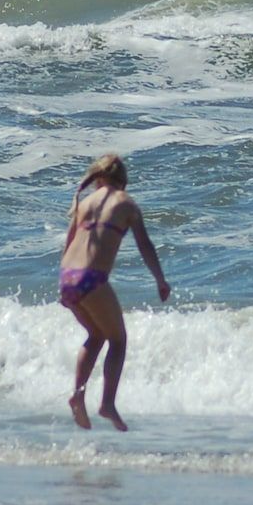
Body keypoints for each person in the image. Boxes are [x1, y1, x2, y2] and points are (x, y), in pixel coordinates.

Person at [58, 152, 169, 431]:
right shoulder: (127, 203)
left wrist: (67, 288)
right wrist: (160, 279)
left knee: (96, 335)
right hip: (92, 279)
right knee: (118, 341)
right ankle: (107, 403)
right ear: (123, 181)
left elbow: (68, 245)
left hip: (67, 278)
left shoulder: (84, 203)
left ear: (98, 179)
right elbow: (145, 244)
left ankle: (78, 395)